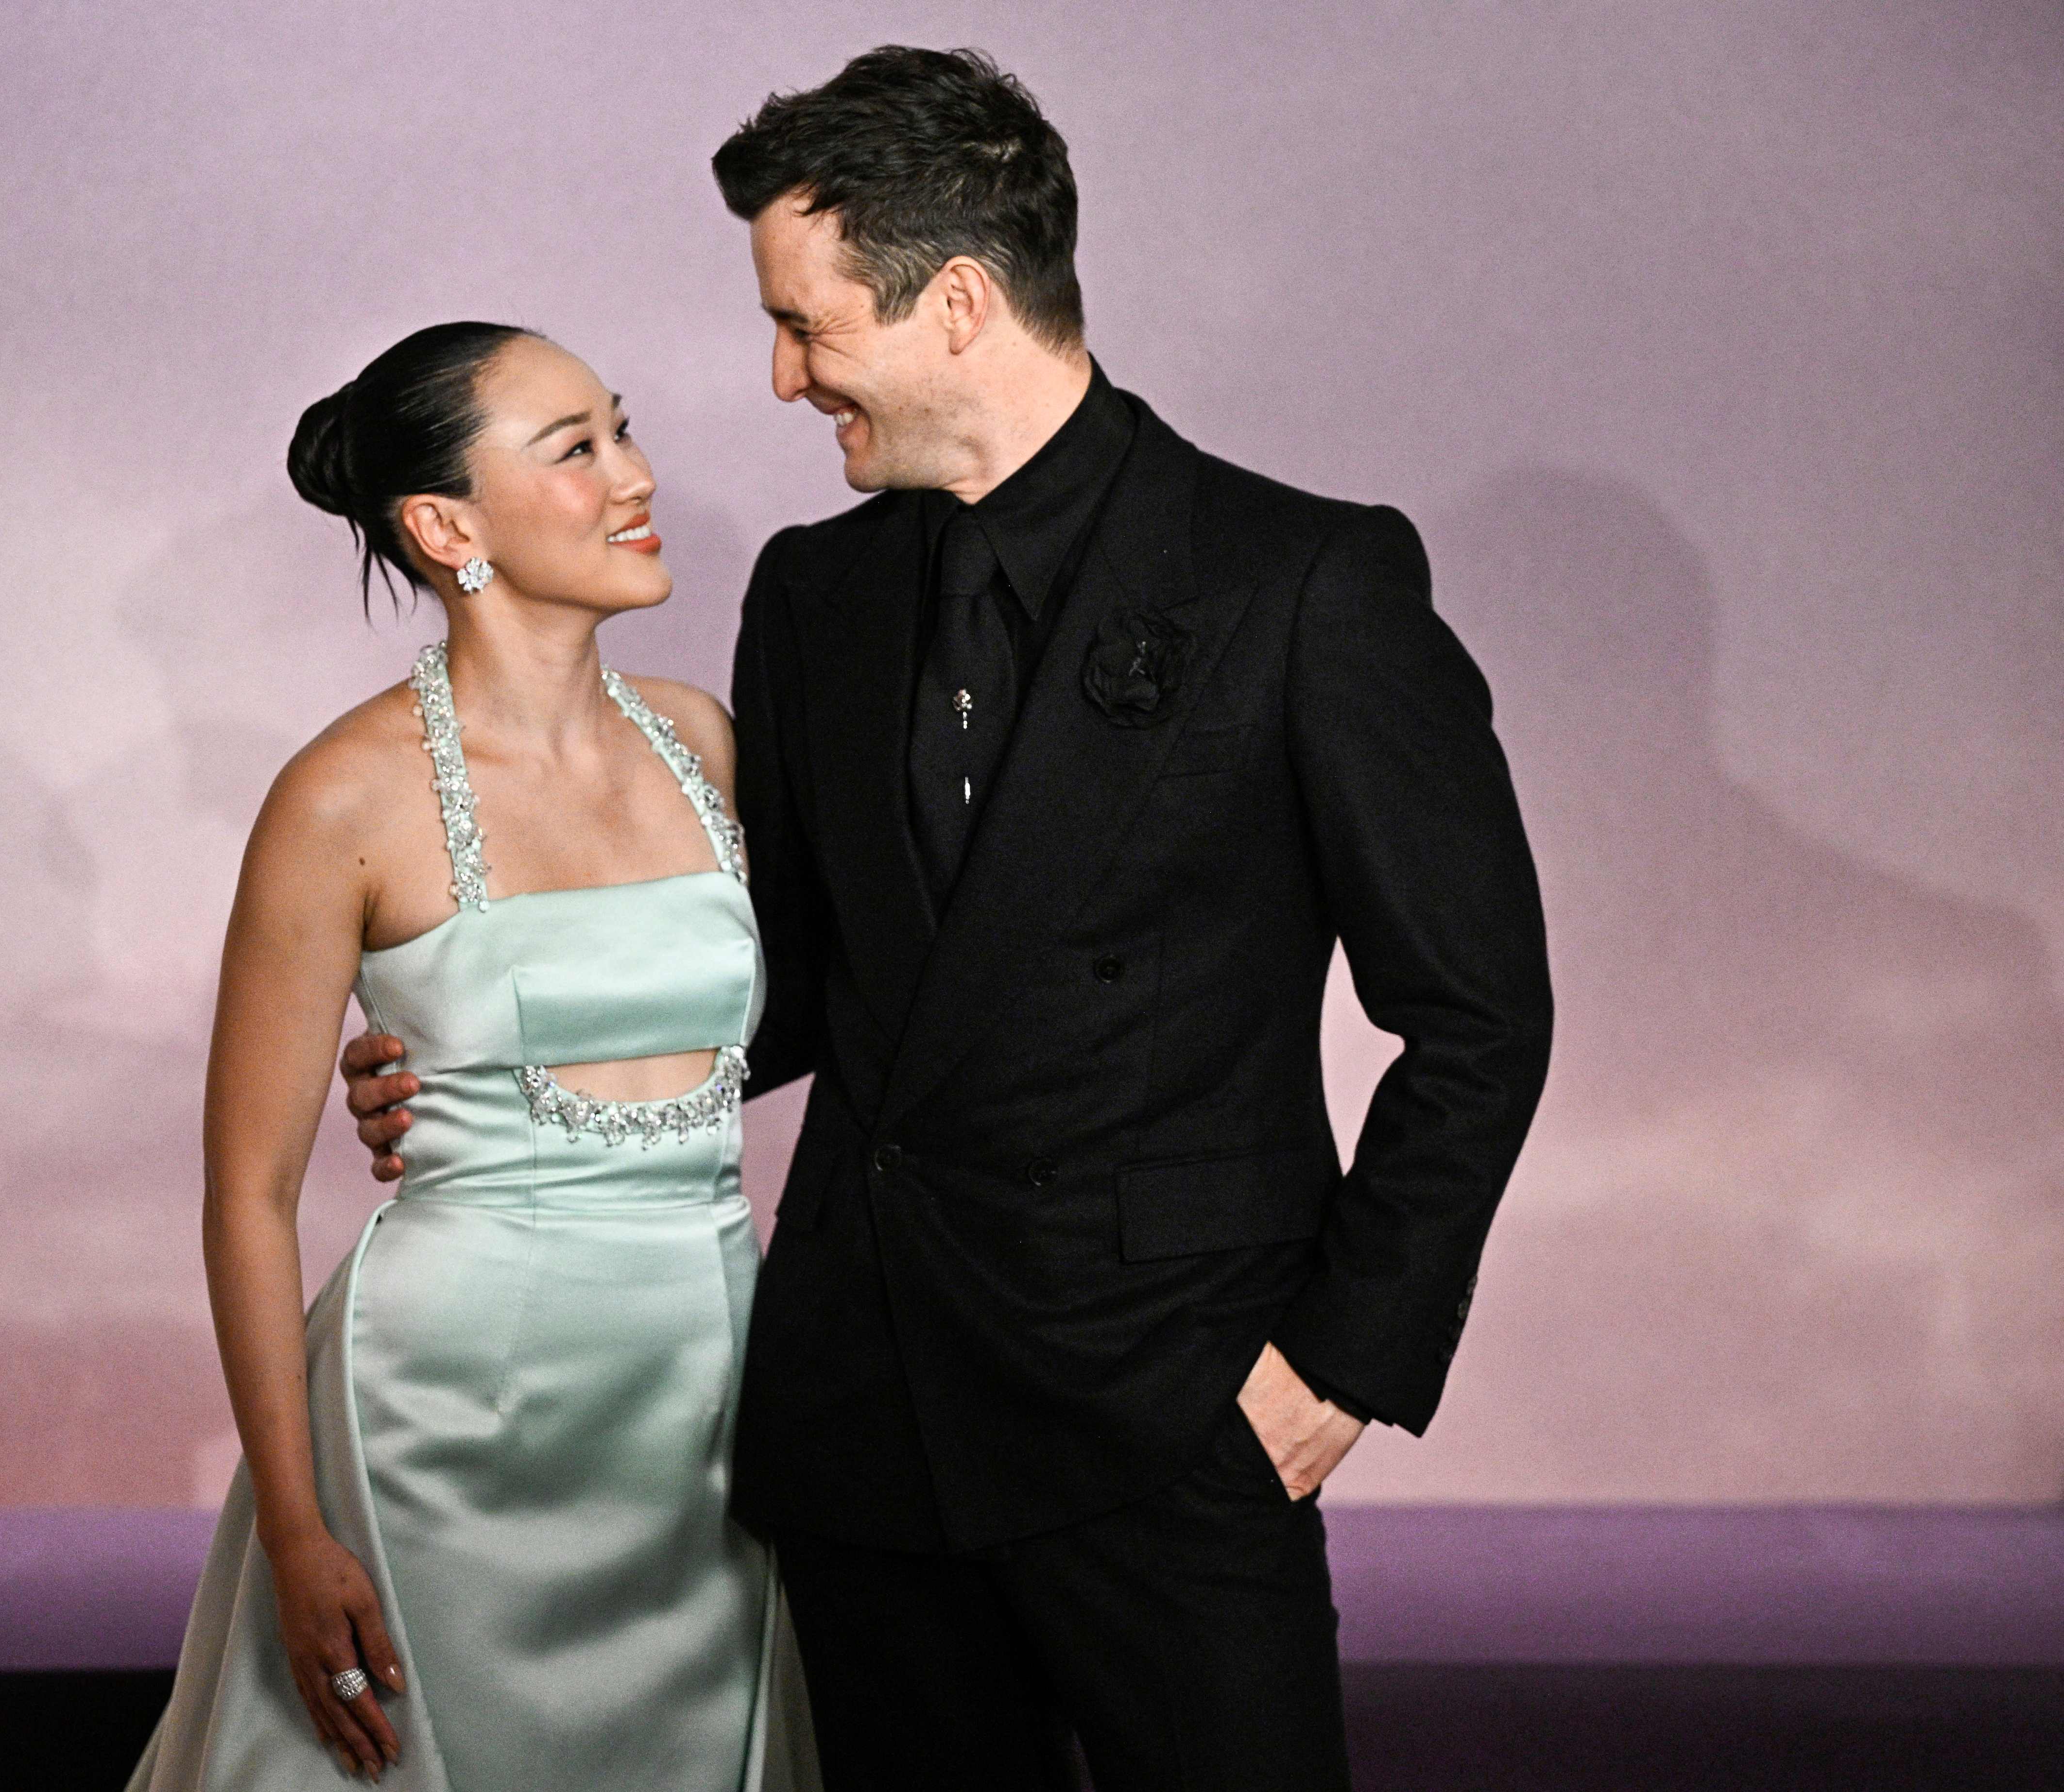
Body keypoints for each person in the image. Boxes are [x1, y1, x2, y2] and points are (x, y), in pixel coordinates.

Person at [343, 47, 1555, 1792]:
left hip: (1172, 1416)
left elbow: (1478, 1017)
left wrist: (1339, 1362)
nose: (777, 378)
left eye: (808, 326)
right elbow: (806, 980)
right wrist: (487, 1054)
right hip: (868, 1417)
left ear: (961, 302)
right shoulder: (816, 589)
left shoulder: (1301, 583)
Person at [130, 322, 814, 1791]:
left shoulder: (707, 741)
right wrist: (300, 1531)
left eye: (620, 430)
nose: (637, 478)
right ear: (445, 527)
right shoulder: (338, 796)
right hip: (441, 1421)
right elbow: (246, 1195)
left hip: (705, 1410)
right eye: (576, 450)